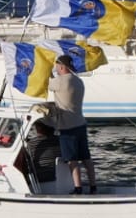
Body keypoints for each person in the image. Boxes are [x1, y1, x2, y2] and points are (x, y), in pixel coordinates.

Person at [47, 54, 96, 194]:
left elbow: (48, 82)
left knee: (72, 160)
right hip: (80, 123)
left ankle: (78, 187)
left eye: (57, 65)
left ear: (61, 66)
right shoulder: (78, 81)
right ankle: (93, 186)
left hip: (67, 126)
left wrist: (47, 69)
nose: (56, 68)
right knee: (86, 157)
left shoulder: (61, 81)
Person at [21, 117, 61, 189]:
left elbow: (27, 162)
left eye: (36, 126)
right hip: (61, 177)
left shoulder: (32, 143)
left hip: (40, 180)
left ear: (39, 128)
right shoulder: (60, 141)